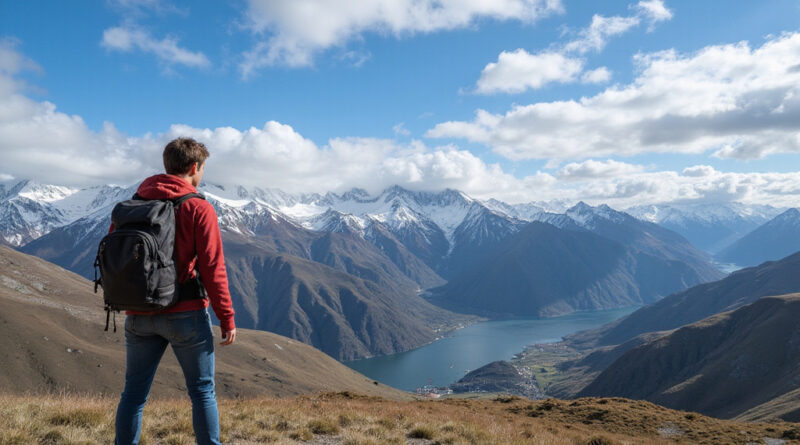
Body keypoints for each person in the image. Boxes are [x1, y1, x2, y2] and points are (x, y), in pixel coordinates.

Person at [113, 137, 236, 445]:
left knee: (134, 394)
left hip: (138, 313)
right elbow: (212, 268)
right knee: (202, 392)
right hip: (187, 314)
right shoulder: (198, 207)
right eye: (203, 168)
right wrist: (227, 317)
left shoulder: (131, 206)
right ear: (195, 167)